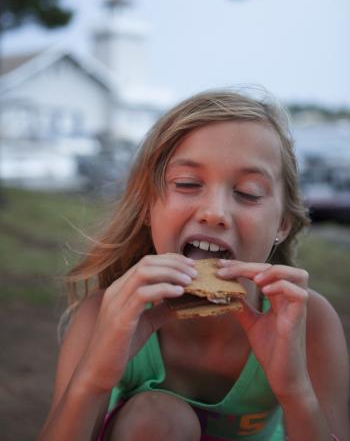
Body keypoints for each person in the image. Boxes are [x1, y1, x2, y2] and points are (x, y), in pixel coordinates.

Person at [39, 88, 350, 441]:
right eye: (187, 184)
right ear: (146, 206)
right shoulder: (105, 316)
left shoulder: (308, 324)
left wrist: (295, 392)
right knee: (156, 420)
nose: (215, 212)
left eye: (248, 192)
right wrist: (95, 377)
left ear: (282, 224)